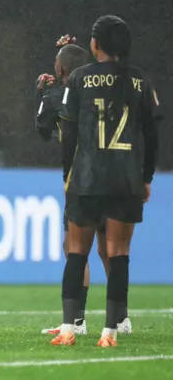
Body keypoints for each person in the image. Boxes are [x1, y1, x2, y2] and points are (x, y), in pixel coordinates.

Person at [52, 15, 161, 347]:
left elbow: (68, 132)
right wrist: (146, 177)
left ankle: (69, 329)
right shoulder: (141, 81)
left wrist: (67, 173)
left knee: (76, 252)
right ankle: (110, 332)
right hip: (125, 178)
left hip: (86, 176)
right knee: (118, 253)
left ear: (95, 44)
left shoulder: (79, 79)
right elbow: (152, 135)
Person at [35, 37, 132, 336]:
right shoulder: (104, 90)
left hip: (80, 180)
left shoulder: (57, 95)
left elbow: (42, 128)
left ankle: (76, 320)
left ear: (60, 69)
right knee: (109, 250)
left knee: (75, 250)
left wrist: (44, 92)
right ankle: (120, 319)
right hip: (114, 176)